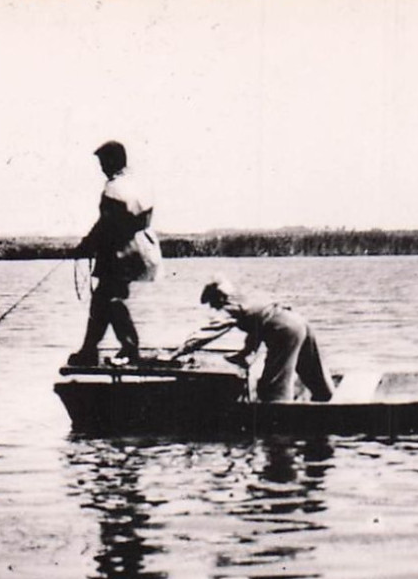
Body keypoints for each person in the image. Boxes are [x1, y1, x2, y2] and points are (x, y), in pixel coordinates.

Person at [67, 140, 160, 367]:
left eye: (102, 162)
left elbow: (107, 225)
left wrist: (86, 246)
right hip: (141, 248)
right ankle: (90, 350)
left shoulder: (114, 188)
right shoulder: (136, 184)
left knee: (109, 300)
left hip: (121, 252)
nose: (101, 168)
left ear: (112, 161)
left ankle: (128, 348)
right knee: (103, 300)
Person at [185, 279, 334, 403]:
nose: (213, 308)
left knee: (274, 384)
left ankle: (278, 410)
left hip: (284, 330)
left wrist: (183, 349)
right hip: (299, 322)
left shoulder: (230, 307)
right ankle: (325, 396)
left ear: (221, 298)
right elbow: (257, 328)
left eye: (212, 303)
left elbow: (209, 332)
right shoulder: (247, 300)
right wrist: (246, 352)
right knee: (311, 369)